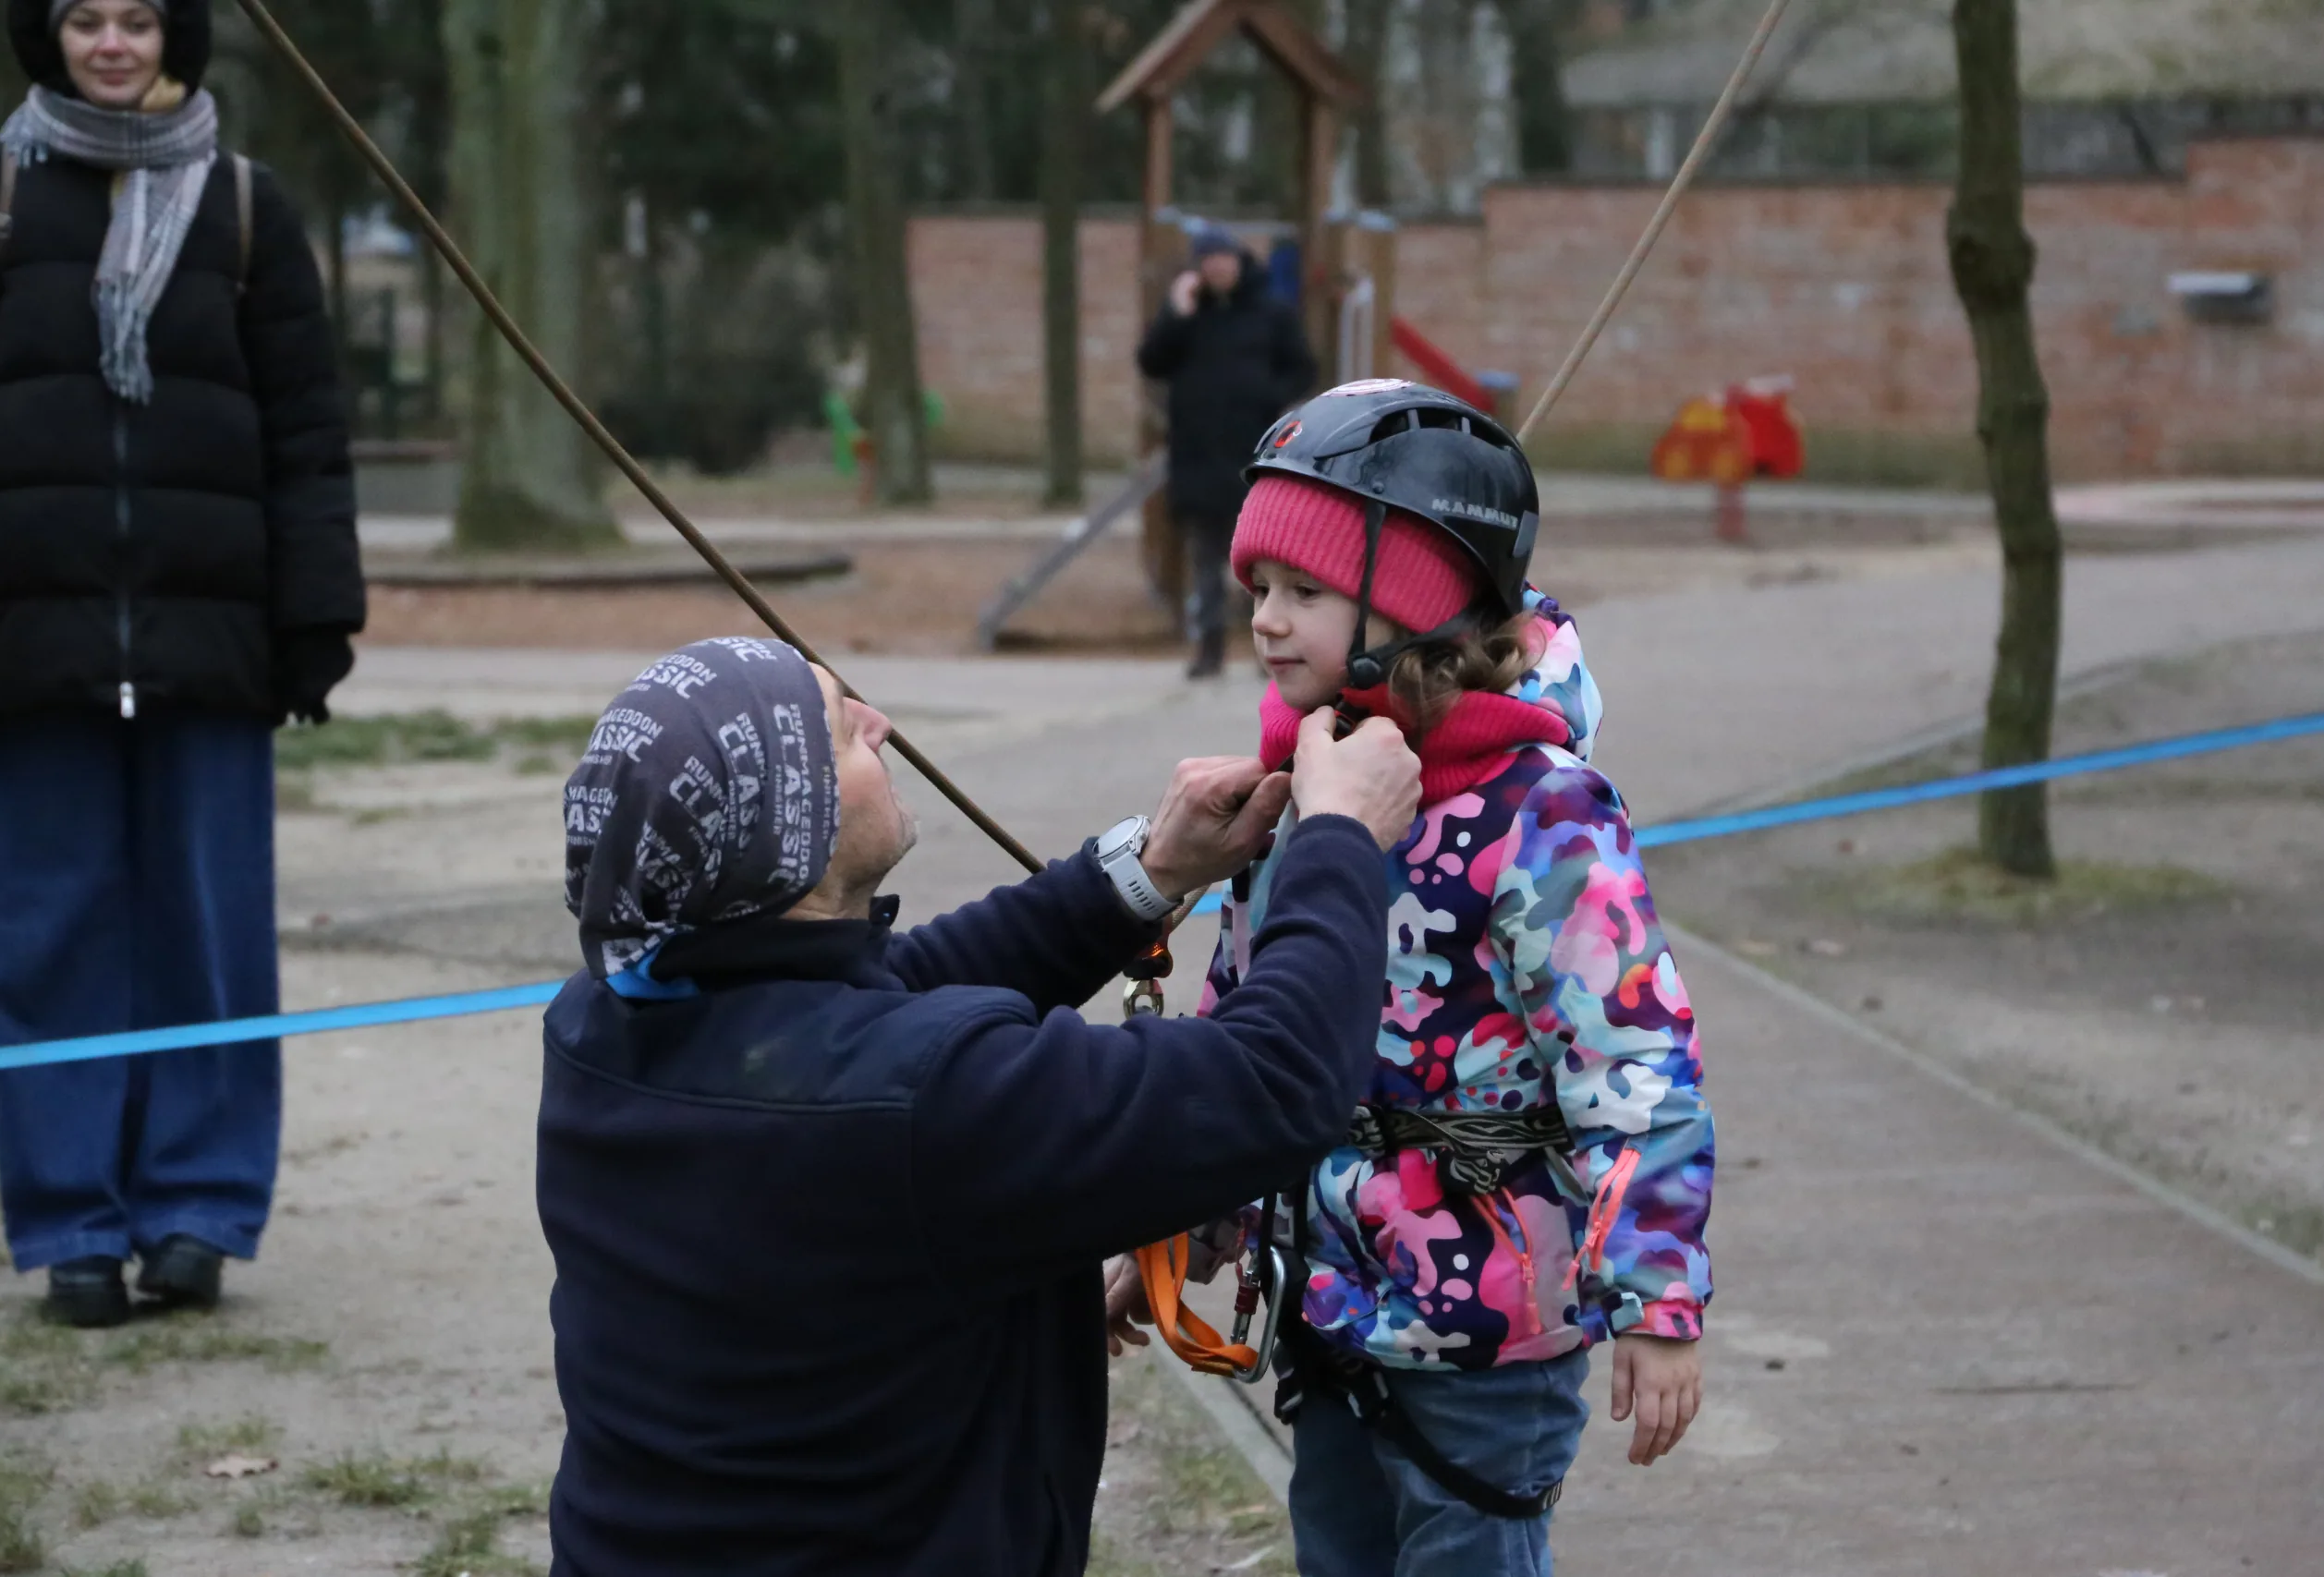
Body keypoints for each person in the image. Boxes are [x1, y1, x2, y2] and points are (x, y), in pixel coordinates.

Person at [535, 636, 1425, 1575]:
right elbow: (1274, 1081)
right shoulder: (915, 1109)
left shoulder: (605, 1023)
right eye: (841, 727)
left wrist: (1146, 870)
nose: (880, 723)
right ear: (786, 837)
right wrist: (1338, 836)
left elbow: (896, 998)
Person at [1123, 381, 1715, 1575]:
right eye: (1260, 593)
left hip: (1494, 1325)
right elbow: (1248, 1025)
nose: (1269, 623)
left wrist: (1657, 1296)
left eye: (1305, 592)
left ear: (1414, 609)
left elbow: (1636, 1062)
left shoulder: (1543, 817)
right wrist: (1188, 1219)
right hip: (1331, 1298)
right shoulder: (1300, 789)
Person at [0, 0, 363, 1327]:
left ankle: (196, 1203)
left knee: (208, 933)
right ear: (50, 36)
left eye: (138, 16)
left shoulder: (250, 209)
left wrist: (314, 615)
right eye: (84, 17)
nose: (113, 41)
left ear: (175, 34)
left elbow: (306, 429)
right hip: (32, 642)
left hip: (210, 642)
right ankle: (74, 1217)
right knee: (47, 935)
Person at [1137, 224, 1318, 681]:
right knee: (1206, 559)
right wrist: (1175, 313)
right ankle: (1209, 648)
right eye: (1208, 261)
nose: (1217, 268)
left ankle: (1270, 650)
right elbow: (1152, 361)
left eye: (1224, 259)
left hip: (1254, 456)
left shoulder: (1271, 313)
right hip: (1198, 454)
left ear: (1238, 262)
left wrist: (1266, 399)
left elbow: (1303, 368)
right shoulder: (1187, 316)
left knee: (1264, 559)